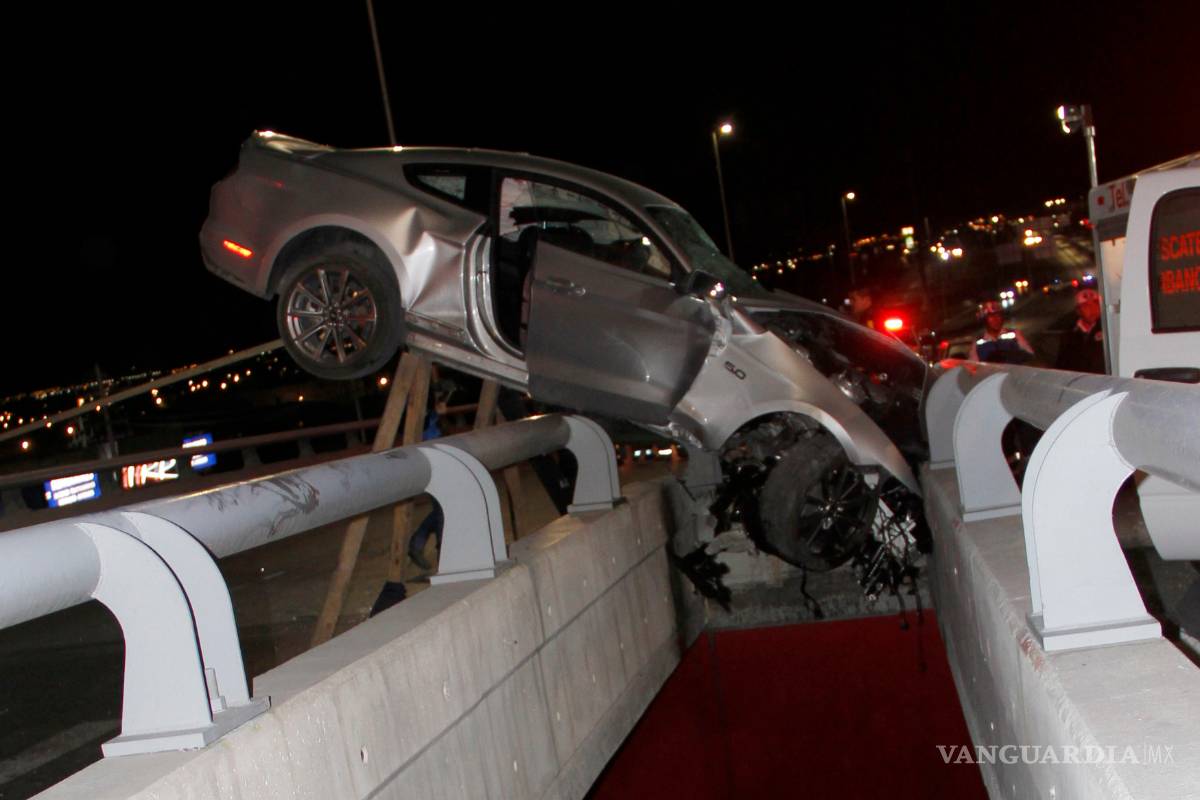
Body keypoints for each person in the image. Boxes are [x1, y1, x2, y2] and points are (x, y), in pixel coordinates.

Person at [1055, 287, 1105, 373]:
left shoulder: (1107, 330)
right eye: (1086, 306)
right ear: (1078, 310)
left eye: (1096, 304)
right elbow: (1062, 365)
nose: (1092, 309)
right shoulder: (1069, 334)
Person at [967, 300, 1034, 363]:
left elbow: (1030, 356)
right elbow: (973, 366)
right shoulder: (978, 342)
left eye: (998, 315)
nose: (996, 320)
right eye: (991, 317)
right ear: (985, 320)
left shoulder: (1014, 334)